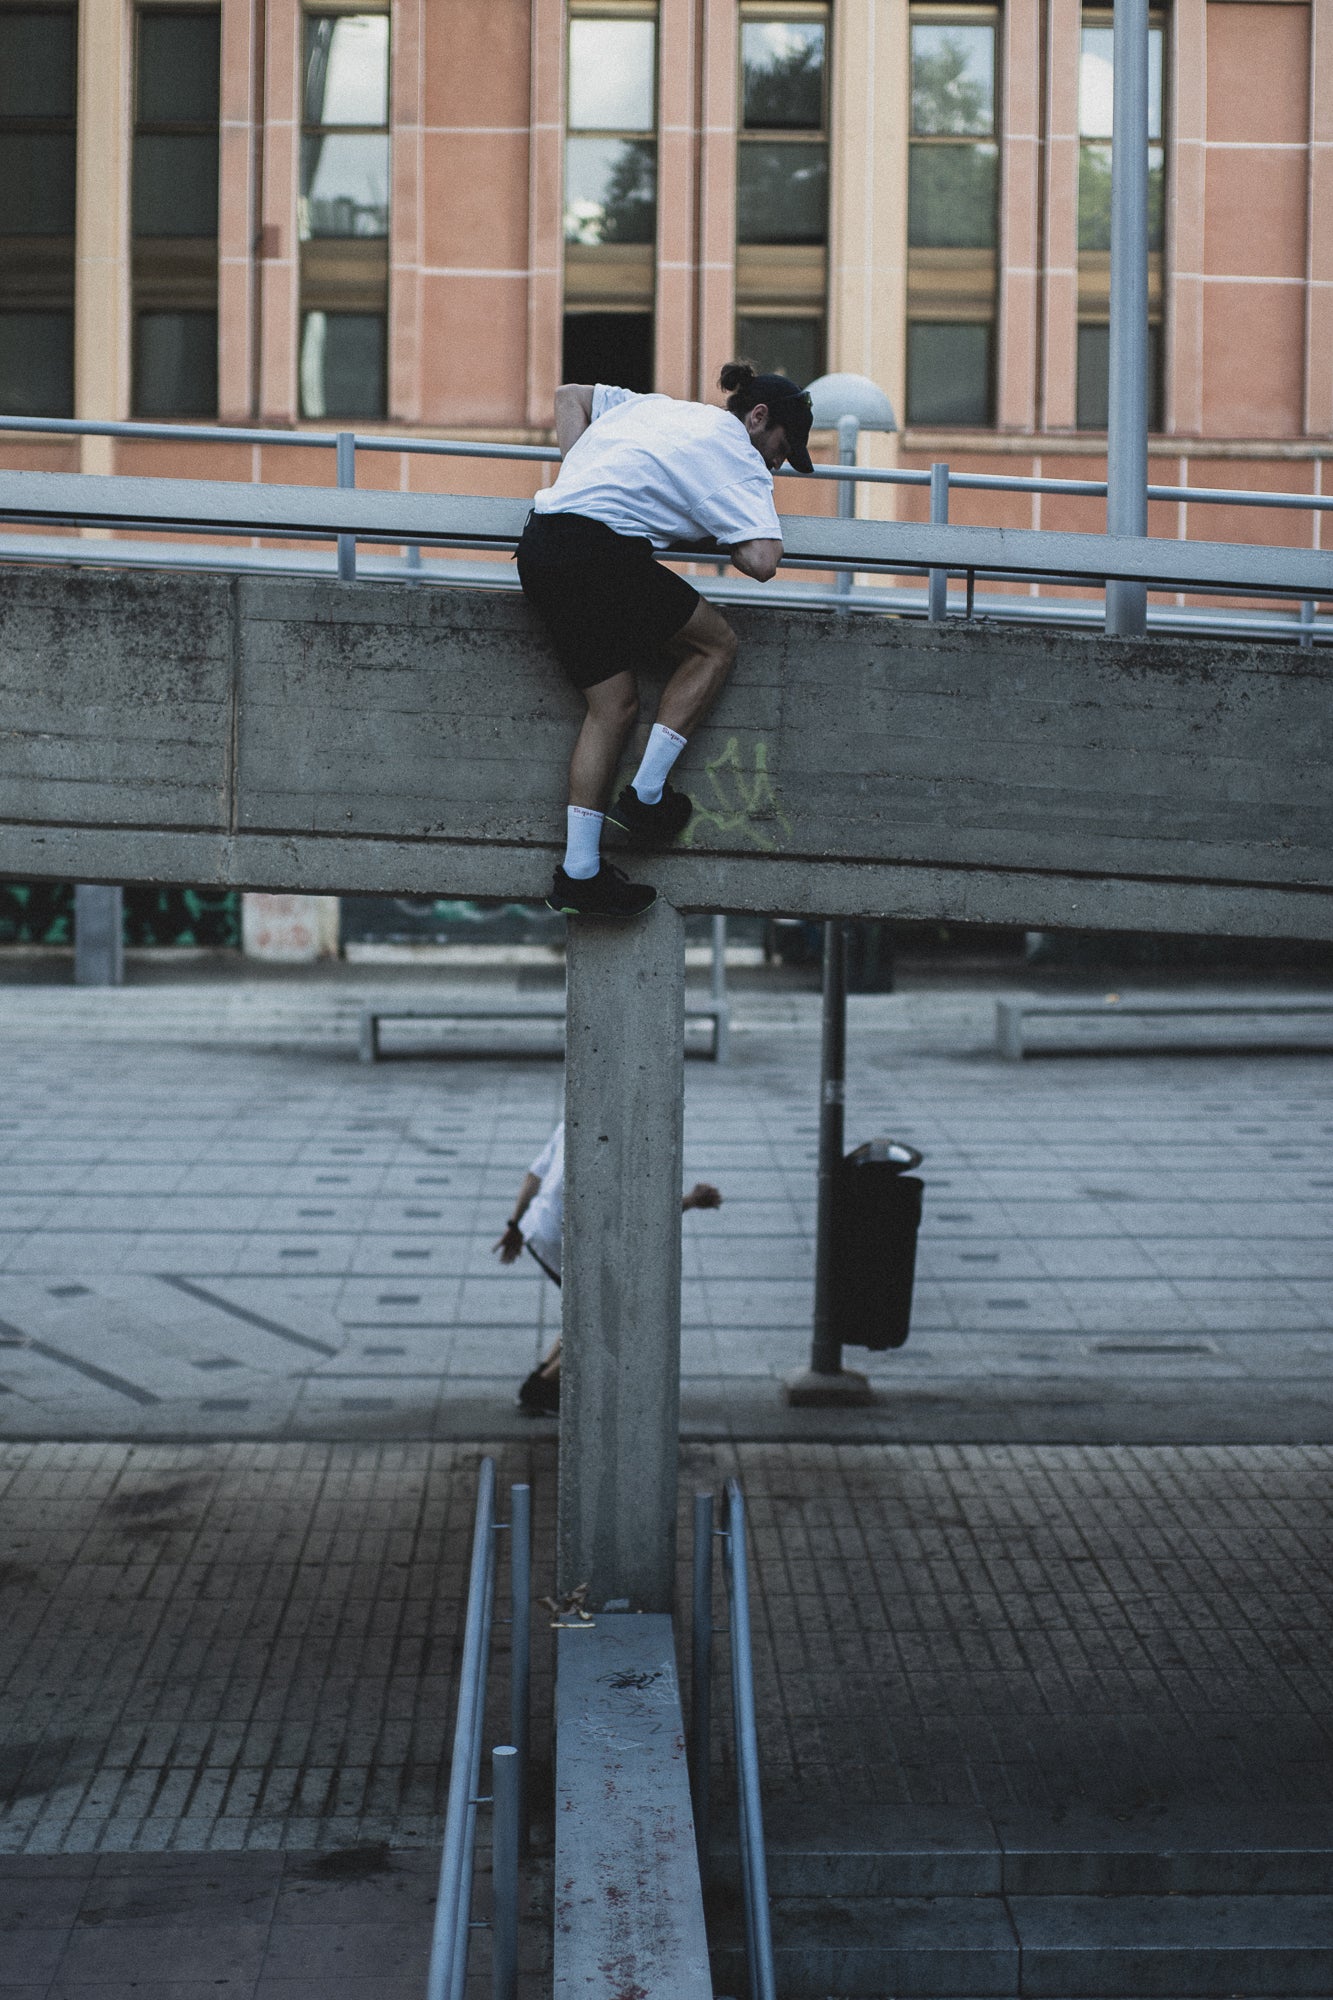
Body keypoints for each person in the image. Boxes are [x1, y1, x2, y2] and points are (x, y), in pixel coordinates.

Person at [516, 362, 814, 920]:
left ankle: (579, 875)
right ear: (758, 417)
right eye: (782, 446)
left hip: (542, 543)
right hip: (600, 552)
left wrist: (582, 475)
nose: (779, 462)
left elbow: (569, 395)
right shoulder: (740, 458)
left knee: (613, 706)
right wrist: (717, 519)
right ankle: (646, 797)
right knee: (716, 645)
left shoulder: (659, 407)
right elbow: (762, 561)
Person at [493, 1120, 722, 1413]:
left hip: (538, 1229)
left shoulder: (573, 1117)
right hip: (567, 1241)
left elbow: (534, 1176)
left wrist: (514, 1226)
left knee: (588, 1310)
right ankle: (539, 1392)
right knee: (607, 1322)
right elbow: (641, 1209)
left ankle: (543, 1379)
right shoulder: (628, 1136)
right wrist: (691, 1201)